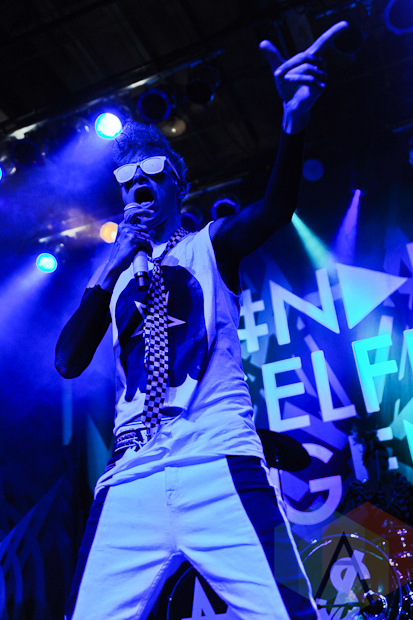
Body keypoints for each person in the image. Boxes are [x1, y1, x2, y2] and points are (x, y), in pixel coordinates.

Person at [56, 22, 348, 620]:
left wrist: (293, 123)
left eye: (151, 172)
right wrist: (109, 268)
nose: (138, 186)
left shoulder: (210, 247)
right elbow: (67, 361)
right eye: (125, 181)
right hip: (130, 479)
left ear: (177, 184)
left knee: (289, 610)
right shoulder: (115, 279)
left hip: (219, 464)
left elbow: (275, 210)